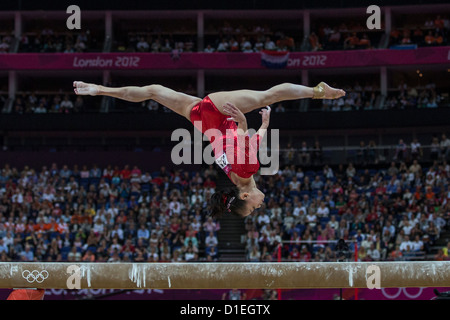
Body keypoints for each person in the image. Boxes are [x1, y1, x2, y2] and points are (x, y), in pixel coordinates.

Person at [73, 80, 345, 218]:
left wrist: (241, 120)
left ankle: (319, 91)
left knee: (269, 95)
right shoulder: (235, 175)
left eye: (253, 208)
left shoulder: (248, 170)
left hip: (220, 112)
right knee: (154, 91)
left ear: (246, 195)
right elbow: (247, 143)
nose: (259, 206)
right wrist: (264, 126)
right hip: (203, 122)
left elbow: (239, 136)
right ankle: (99, 89)